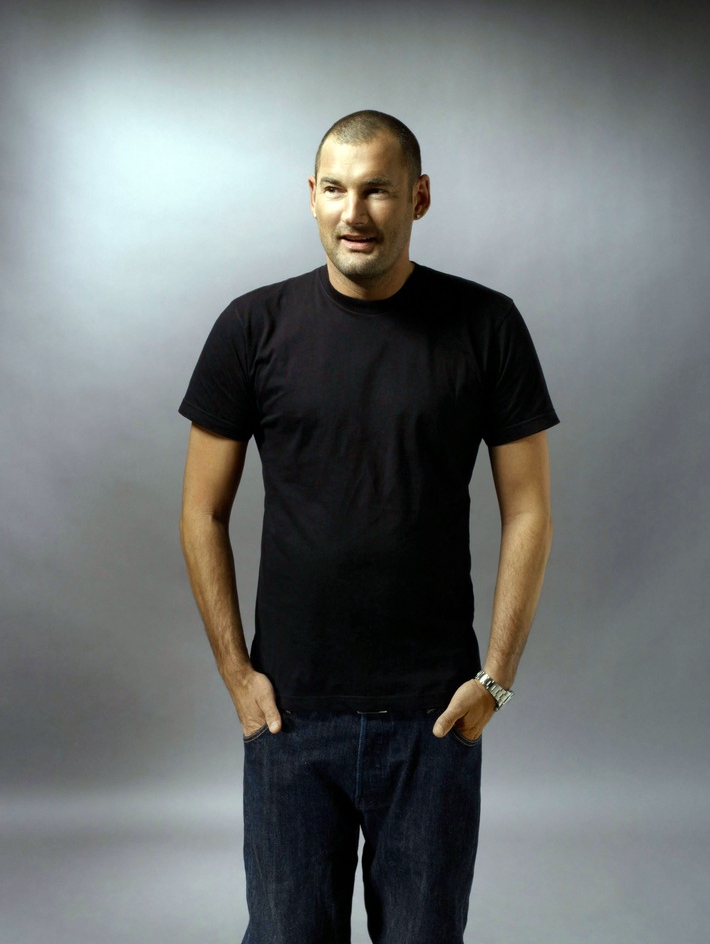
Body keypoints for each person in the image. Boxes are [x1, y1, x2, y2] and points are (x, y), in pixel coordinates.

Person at [179, 109, 558, 944]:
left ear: (419, 198)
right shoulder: (252, 327)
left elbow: (529, 507)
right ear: (311, 196)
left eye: (378, 190)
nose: (354, 212)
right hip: (289, 716)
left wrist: (496, 677)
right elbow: (201, 510)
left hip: (435, 716)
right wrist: (238, 675)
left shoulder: (486, 326)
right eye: (336, 189)